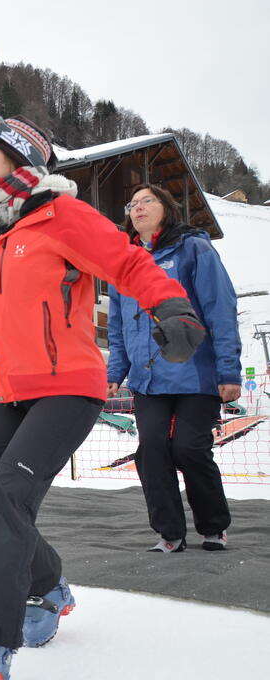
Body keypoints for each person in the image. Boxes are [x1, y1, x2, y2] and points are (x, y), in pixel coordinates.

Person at [0, 115, 205, 680]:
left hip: (67, 387)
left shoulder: (61, 215)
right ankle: (49, 586)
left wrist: (170, 307)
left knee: (6, 502)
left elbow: (127, 262)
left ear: (20, 162)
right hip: (11, 389)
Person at [107, 184, 241, 553]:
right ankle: (169, 533)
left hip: (195, 373)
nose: (138, 207)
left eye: (147, 200)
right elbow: (117, 326)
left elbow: (220, 308)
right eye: (132, 203)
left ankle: (213, 526)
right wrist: (114, 372)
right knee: (150, 449)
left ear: (166, 207)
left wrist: (229, 371)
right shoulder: (123, 263)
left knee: (188, 449)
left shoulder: (193, 249)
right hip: (148, 380)